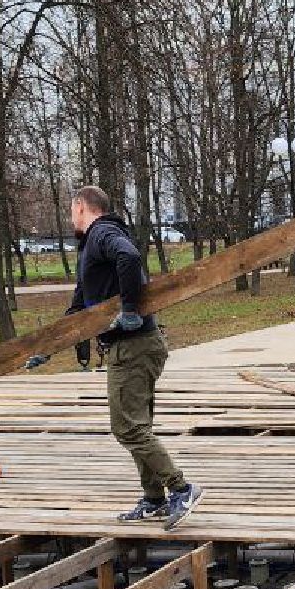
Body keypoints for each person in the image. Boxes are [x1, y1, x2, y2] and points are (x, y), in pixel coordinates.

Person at [65, 185, 202, 526]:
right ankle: (154, 497)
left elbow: (130, 257)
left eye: (72, 210)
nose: (71, 217)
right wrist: (53, 346)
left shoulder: (103, 234)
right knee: (139, 426)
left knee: (126, 427)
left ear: (82, 207)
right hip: (140, 345)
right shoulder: (93, 245)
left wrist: (129, 309)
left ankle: (181, 488)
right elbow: (80, 304)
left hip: (132, 346)